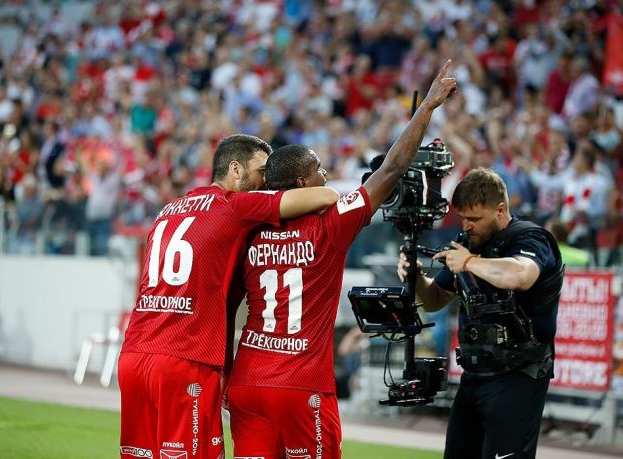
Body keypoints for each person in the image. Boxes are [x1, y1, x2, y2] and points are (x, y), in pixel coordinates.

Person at [226, 60, 458, 458]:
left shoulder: (247, 226)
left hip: (247, 382)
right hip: (300, 385)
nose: (327, 173)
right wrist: (428, 107)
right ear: (302, 183)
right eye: (319, 169)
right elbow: (393, 167)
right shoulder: (331, 224)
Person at [117, 134, 340, 459]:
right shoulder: (234, 205)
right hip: (183, 359)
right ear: (235, 169)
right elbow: (324, 197)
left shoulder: (168, 210)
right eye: (261, 171)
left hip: (134, 355)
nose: (266, 182)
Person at [397, 168, 564, 459]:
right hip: (474, 374)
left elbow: (520, 276)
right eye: (462, 217)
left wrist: (470, 261)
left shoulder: (531, 238)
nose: (467, 225)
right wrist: (416, 278)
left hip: (518, 375)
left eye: (474, 218)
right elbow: (435, 299)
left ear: (500, 210)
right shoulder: (470, 243)